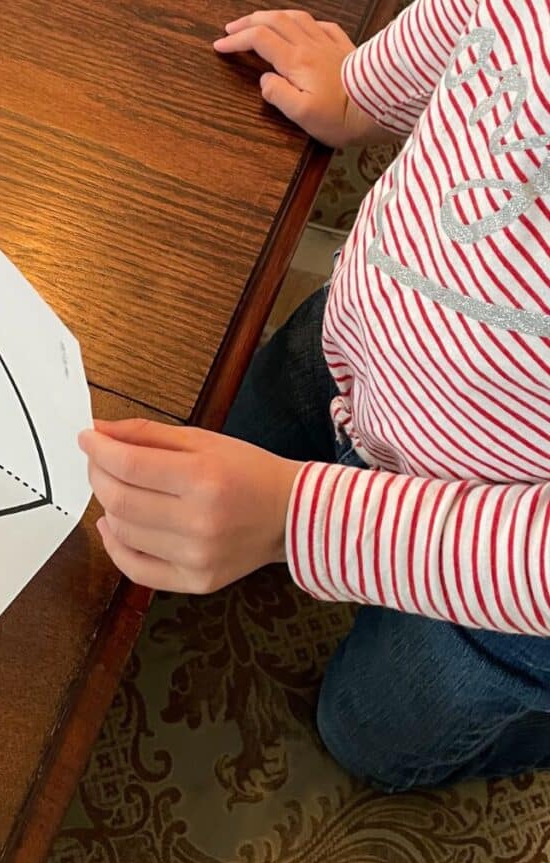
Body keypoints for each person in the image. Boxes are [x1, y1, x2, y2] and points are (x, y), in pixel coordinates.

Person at [78, 0, 550, 792]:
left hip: (504, 591)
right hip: (344, 349)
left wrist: (303, 520)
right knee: (219, 442)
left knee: (367, 733)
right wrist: (362, 88)